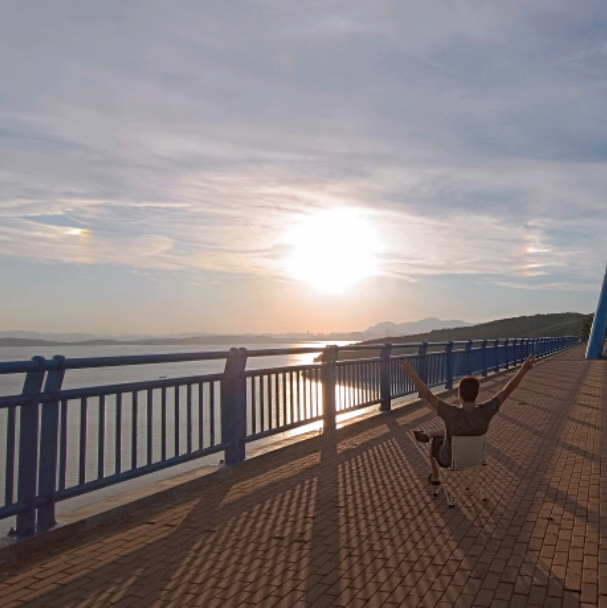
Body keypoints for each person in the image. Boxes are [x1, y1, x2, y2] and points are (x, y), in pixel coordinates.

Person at [401, 354, 535, 485]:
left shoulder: (451, 414)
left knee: (437, 441)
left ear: (459, 395)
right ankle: (431, 433)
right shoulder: (485, 412)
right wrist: (524, 369)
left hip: (450, 460)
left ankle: (436, 477)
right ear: (477, 394)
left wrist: (410, 372)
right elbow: (507, 390)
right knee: (451, 432)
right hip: (475, 459)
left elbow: (427, 394)